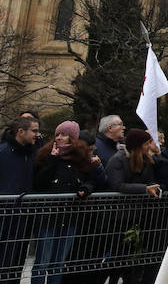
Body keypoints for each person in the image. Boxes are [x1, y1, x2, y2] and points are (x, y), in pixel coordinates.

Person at [32, 121, 104, 284]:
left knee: (58, 263)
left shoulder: (81, 157)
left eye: (64, 134)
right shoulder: (45, 154)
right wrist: (52, 160)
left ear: (73, 138)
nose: (59, 137)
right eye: (57, 134)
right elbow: (39, 183)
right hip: (48, 217)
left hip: (70, 217)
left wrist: (85, 188)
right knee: (42, 262)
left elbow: (91, 180)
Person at [0, 116, 40, 284]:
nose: (38, 135)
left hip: (23, 218)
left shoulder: (32, 154)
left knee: (16, 264)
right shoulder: (3, 153)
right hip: (4, 218)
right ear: (21, 131)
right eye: (34, 131)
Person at [107, 129, 161, 197]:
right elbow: (118, 185)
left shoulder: (147, 159)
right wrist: (144, 188)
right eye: (146, 144)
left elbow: (150, 180)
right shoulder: (118, 160)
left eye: (149, 143)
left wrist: (155, 187)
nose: (149, 146)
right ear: (137, 146)